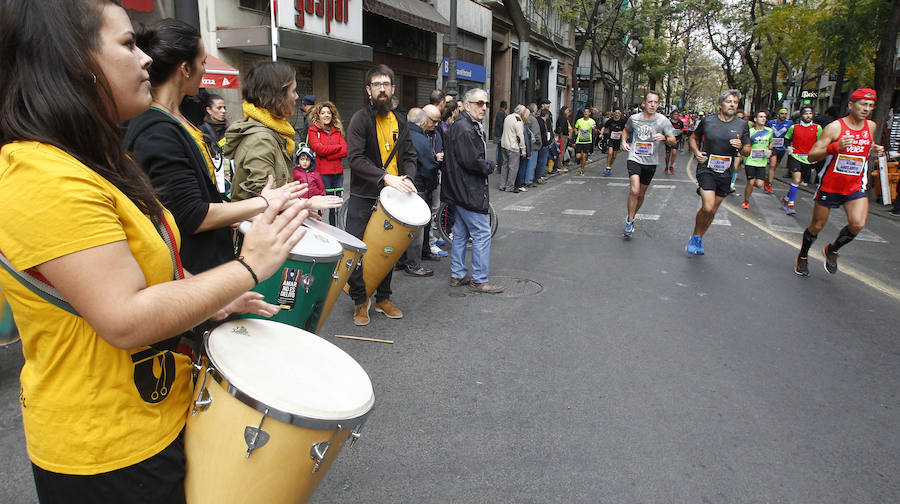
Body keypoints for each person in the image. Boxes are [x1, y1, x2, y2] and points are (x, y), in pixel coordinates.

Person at [0, 2, 309, 501]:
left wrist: (212, 297)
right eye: (127, 44)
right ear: (70, 60)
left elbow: (142, 277)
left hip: (153, 415)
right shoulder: (42, 176)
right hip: (105, 450)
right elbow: (125, 318)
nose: (146, 58)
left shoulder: (94, 159)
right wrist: (249, 266)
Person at [126, 19, 304, 274]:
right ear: (185, 69)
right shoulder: (157, 131)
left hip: (208, 260)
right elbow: (193, 216)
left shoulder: (178, 120)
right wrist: (264, 201)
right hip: (191, 271)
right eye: (203, 63)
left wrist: (235, 212)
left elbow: (193, 196)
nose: (205, 71)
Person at [345, 64, 418, 326]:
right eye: (377, 85)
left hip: (395, 196)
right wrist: (384, 176)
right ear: (368, 90)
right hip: (365, 195)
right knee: (356, 248)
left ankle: (384, 298)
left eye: (386, 84)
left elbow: (409, 155)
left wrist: (407, 177)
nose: (382, 89)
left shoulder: (400, 119)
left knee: (389, 248)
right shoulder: (360, 119)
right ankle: (359, 300)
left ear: (393, 88)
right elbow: (354, 158)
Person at [794, 88, 884, 276]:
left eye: (870, 105)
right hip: (831, 185)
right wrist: (835, 147)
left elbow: (866, 145)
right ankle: (803, 255)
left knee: (857, 224)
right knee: (817, 225)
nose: (866, 109)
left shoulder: (871, 126)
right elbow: (812, 156)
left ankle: (832, 249)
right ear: (851, 105)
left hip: (855, 185)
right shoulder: (835, 128)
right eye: (862, 104)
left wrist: (873, 149)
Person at [442, 89, 503, 294]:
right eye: (479, 103)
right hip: (468, 189)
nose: (484, 107)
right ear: (467, 105)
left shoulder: (464, 126)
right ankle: (479, 279)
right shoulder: (465, 128)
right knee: (482, 233)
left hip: (460, 189)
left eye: (486, 103)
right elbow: (471, 162)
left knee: (460, 232)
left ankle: (457, 274)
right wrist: (489, 166)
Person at [686, 90, 750, 255]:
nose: (732, 104)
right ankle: (695, 236)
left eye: (735, 102)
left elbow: (748, 151)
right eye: (729, 101)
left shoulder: (742, 125)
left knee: (713, 210)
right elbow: (693, 138)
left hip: (726, 173)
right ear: (720, 104)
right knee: (707, 207)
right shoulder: (708, 121)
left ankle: (698, 238)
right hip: (706, 168)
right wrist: (696, 152)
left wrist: (741, 147)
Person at [620, 91, 676, 238]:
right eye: (649, 102)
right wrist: (624, 141)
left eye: (655, 102)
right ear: (644, 103)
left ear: (658, 104)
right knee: (635, 190)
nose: (652, 105)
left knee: (642, 193)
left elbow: (673, 140)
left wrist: (664, 137)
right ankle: (630, 221)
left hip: (651, 161)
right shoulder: (634, 118)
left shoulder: (663, 121)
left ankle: (631, 216)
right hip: (635, 157)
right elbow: (626, 130)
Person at [395, 107, 441, 277]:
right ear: (422, 123)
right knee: (416, 228)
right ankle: (413, 264)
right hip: (418, 187)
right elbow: (429, 167)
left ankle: (400, 260)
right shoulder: (421, 140)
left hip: (399, 185)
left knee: (402, 225)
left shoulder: (400, 133)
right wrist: (432, 183)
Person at [306, 100, 348, 227]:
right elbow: (318, 149)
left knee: (335, 207)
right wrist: (336, 148)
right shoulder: (313, 131)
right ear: (318, 115)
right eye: (323, 113)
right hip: (322, 174)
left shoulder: (337, 130)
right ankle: (318, 231)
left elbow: (345, 150)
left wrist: (327, 154)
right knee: (321, 205)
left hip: (338, 174)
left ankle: (335, 231)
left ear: (332, 115)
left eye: (328, 113)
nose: (326, 115)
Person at [781, 106, 822, 215]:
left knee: (798, 181)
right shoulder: (794, 128)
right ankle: (791, 204)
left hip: (808, 158)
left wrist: (816, 156)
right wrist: (788, 147)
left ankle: (786, 198)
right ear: (801, 115)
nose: (808, 116)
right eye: (806, 114)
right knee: (796, 178)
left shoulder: (817, 128)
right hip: (796, 156)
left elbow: (820, 143)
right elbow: (787, 138)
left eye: (810, 113)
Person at [741, 111, 774, 209]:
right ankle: (746, 201)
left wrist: (770, 150)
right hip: (750, 160)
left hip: (762, 161)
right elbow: (745, 145)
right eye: (761, 117)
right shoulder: (750, 131)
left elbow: (771, 142)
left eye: (764, 117)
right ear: (755, 119)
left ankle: (750, 187)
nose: (763, 118)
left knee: (759, 184)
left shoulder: (769, 131)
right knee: (750, 182)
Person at [499, 104, 528, 192]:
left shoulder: (508, 117)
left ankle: (502, 185)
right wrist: (523, 149)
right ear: (522, 113)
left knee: (504, 166)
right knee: (513, 168)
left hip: (504, 145)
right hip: (513, 146)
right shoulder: (518, 121)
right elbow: (520, 136)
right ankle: (509, 187)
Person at [766, 108, 793, 193]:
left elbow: (792, 134)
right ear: (778, 114)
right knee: (772, 165)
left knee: (775, 166)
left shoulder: (790, 124)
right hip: (772, 146)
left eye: (785, 114)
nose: (783, 115)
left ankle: (768, 179)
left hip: (782, 148)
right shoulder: (771, 123)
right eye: (782, 114)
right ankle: (769, 184)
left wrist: (790, 145)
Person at [601, 108, 627, 176]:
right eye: (616, 113)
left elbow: (625, 130)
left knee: (614, 156)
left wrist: (622, 132)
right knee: (610, 153)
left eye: (618, 113)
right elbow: (604, 127)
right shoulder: (610, 120)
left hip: (617, 140)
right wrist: (601, 133)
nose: (617, 114)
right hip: (611, 139)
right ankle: (608, 167)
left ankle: (610, 166)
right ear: (614, 114)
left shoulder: (622, 121)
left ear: (620, 114)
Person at [573, 106, 597, 176]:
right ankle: (580, 161)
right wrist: (575, 131)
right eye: (585, 112)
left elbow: (595, 130)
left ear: (589, 113)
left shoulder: (592, 121)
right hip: (579, 141)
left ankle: (582, 169)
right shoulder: (579, 121)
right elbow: (575, 128)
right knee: (578, 156)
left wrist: (594, 129)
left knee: (584, 156)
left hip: (587, 141)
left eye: (587, 112)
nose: (586, 113)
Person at [523, 103, 542, 187]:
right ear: (534, 110)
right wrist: (539, 142)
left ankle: (525, 179)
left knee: (526, 164)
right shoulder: (533, 120)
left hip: (526, 144)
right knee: (532, 164)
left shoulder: (526, 118)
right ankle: (528, 180)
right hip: (533, 145)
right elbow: (536, 133)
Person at [556, 105, 572, 171]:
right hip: (563, 136)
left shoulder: (562, 117)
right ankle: (559, 166)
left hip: (562, 135)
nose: (568, 111)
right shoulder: (563, 118)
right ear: (564, 111)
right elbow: (562, 127)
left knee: (562, 151)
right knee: (561, 151)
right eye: (567, 110)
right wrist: (561, 133)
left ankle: (559, 165)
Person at [493, 100, 508, 168]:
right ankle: (497, 162)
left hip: (499, 133)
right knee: (499, 148)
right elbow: (500, 124)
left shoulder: (501, 113)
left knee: (499, 148)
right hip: (500, 134)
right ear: (505, 106)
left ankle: (498, 162)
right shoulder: (501, 113)